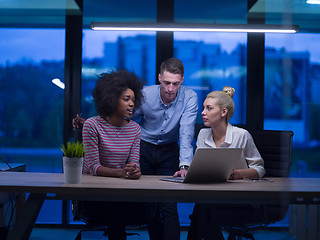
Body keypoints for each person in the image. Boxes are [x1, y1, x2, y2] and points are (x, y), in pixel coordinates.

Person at [73, 58, 198, 240]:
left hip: (169, 151)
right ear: (159, 78)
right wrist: (96, 123)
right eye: (166, 83)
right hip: (144, 148)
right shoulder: (145, 95)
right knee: (149, 206)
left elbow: (186, 132)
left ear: (182, 80)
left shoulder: (189, 97)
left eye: (176, 84)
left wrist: (185, 165)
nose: (171, 89)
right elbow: (122, 115)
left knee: (169, 205)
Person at [176, 86, 265, 240]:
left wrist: (238, 174)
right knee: (204, 208)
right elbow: (202, 166)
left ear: (224, 112)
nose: (203, 112)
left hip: (241, 199)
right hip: (213, 197)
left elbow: (260, 169)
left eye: (208, 108)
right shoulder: (203, 134)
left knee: (202, 210)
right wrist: (190, 171)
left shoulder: (241, 135)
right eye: (203, 108)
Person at [80, 70, 144, 240]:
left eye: (133, 99)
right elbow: (93, 167)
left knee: (152, 211)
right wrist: (122, 173)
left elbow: (134, 163)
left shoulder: (135, 129)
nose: (132, 104)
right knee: (116, 215)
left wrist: (134, 171)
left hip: (123, 190)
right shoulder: (91, 125)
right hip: (95, 191)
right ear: (111, 98)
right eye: (126, 99)